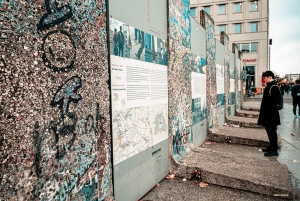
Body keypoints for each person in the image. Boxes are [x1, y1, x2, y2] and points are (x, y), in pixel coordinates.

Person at [258, 71, 282, 157]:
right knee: (269, 131)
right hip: (268, 114)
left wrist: (269, 108)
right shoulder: (269, 86)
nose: (264, 79)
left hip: (271, 114)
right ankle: (271, 147)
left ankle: (274, 150)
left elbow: (277, 100)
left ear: (270, 77)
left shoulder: (273, 87)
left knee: (272, 132)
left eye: (265, 78)